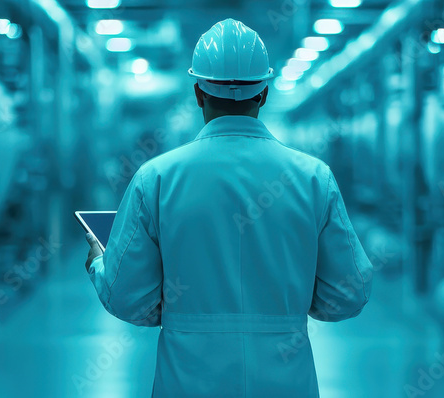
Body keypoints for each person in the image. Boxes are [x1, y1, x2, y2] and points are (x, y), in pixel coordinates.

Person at [84, 18, 374, 397]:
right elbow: (348, 295)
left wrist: (99, 263)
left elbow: (127, 298)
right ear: (264, 93)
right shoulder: (313, 178)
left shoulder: (155, 178)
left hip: (189, 382)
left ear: (198, 93)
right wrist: (287, 304)